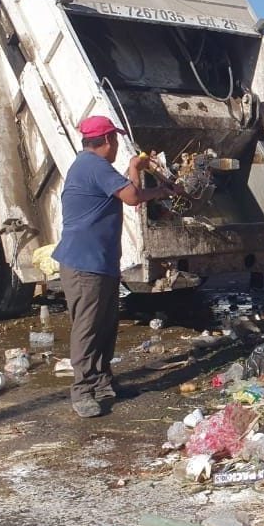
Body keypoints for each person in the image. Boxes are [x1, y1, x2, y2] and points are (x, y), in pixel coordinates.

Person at [52, 116, 172, 418]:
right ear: (106, 140)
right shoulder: (93, 166)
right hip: (84, 264)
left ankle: (104, 384)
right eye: (115, 140)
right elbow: (132, 196)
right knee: (88, 329)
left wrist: (145, 177)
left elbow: (130, 192)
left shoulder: (91, 167)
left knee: (105, 326)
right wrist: (149, 179)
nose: (117, 145)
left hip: (100, 263)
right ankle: (82, 391)